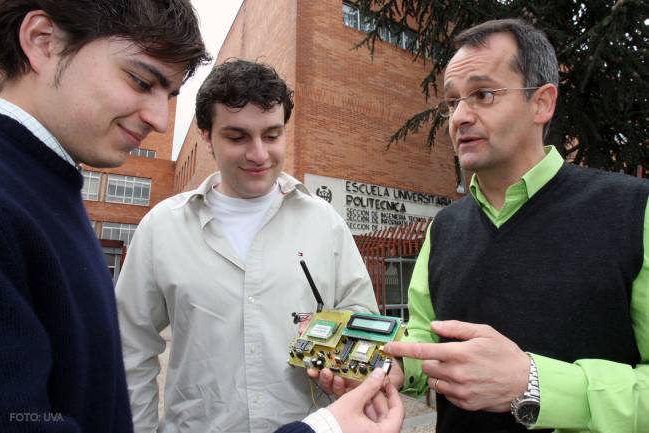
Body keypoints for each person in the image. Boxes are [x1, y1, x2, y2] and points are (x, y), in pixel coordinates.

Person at [381, 18, 649, 433]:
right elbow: (425, 336)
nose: (460, 118)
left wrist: (535, 384)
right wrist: (394, 366)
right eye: (452, 102)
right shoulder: (444, 228)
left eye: (483, 94)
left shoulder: (634, 211)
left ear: (542, 103)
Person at [115, 59, 380, 433]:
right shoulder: (162, 228)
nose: (258, 155)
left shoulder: (325, 223)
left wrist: (345, 366)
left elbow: (363, 323)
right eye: (237, 137)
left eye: (272, 135)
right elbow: (130, 347)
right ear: (206, 137)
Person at [0, 1, 209, 432]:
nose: (159, 119)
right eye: (140, 80)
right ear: (43, 41)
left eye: (168, 95)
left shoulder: (49, 185)